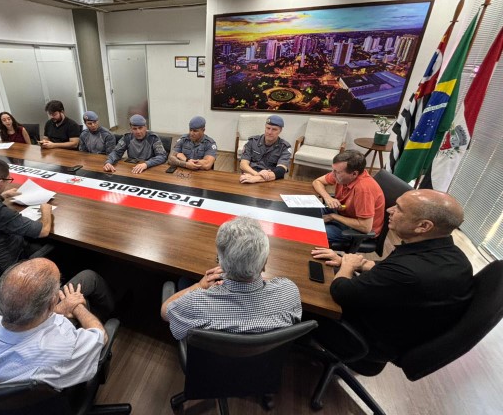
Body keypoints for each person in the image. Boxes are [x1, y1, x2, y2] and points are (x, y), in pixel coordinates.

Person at [312, 189, 473, 365]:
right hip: (397, 324)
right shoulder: (453, 256)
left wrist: (347, 266)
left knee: (305, 291)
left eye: (399, 208)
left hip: (361, 338)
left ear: (423, 226)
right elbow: (388, 271)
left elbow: (340, 292)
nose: (389, 210)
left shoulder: (408, 272)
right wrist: (352, 262)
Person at [0, 258, 115, 389]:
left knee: (86, 279)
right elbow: (100, 335)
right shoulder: (64, 349)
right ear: (52, 303)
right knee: (89, 278)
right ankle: (116, 310)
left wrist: (57, 310)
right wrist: (77, 306)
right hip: (55, 398)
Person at [161, 217, 302, 340]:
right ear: (264, 263)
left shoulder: (195, 303)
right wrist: (253, 271)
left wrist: (200, 285)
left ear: (221, 264)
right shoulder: (289, 291)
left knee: (184, 281)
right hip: (266, 360)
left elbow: (165, 311)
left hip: (212, 360)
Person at [312, 150, 385, 244]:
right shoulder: (343, 175)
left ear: (354, 174)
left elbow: (365, 227)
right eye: (333, 170)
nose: (333, 174)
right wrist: (328, 198)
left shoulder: (364, 190)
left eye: (337, 172)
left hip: (356, 230)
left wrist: (333, 216)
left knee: (312, 232)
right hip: (342, 213)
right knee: (304, 212)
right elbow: (317, 182)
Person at [239, 115, 292, 184]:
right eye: (268, 128)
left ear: (280, 130)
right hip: (250, 175)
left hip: (271, 180)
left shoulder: (284, 147)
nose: (269, 132)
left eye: (274, 129)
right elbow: (243, 164)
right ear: (265, 127)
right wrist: (256, 174)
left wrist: (257, 179)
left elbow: (281, 170)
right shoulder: (252, 141)